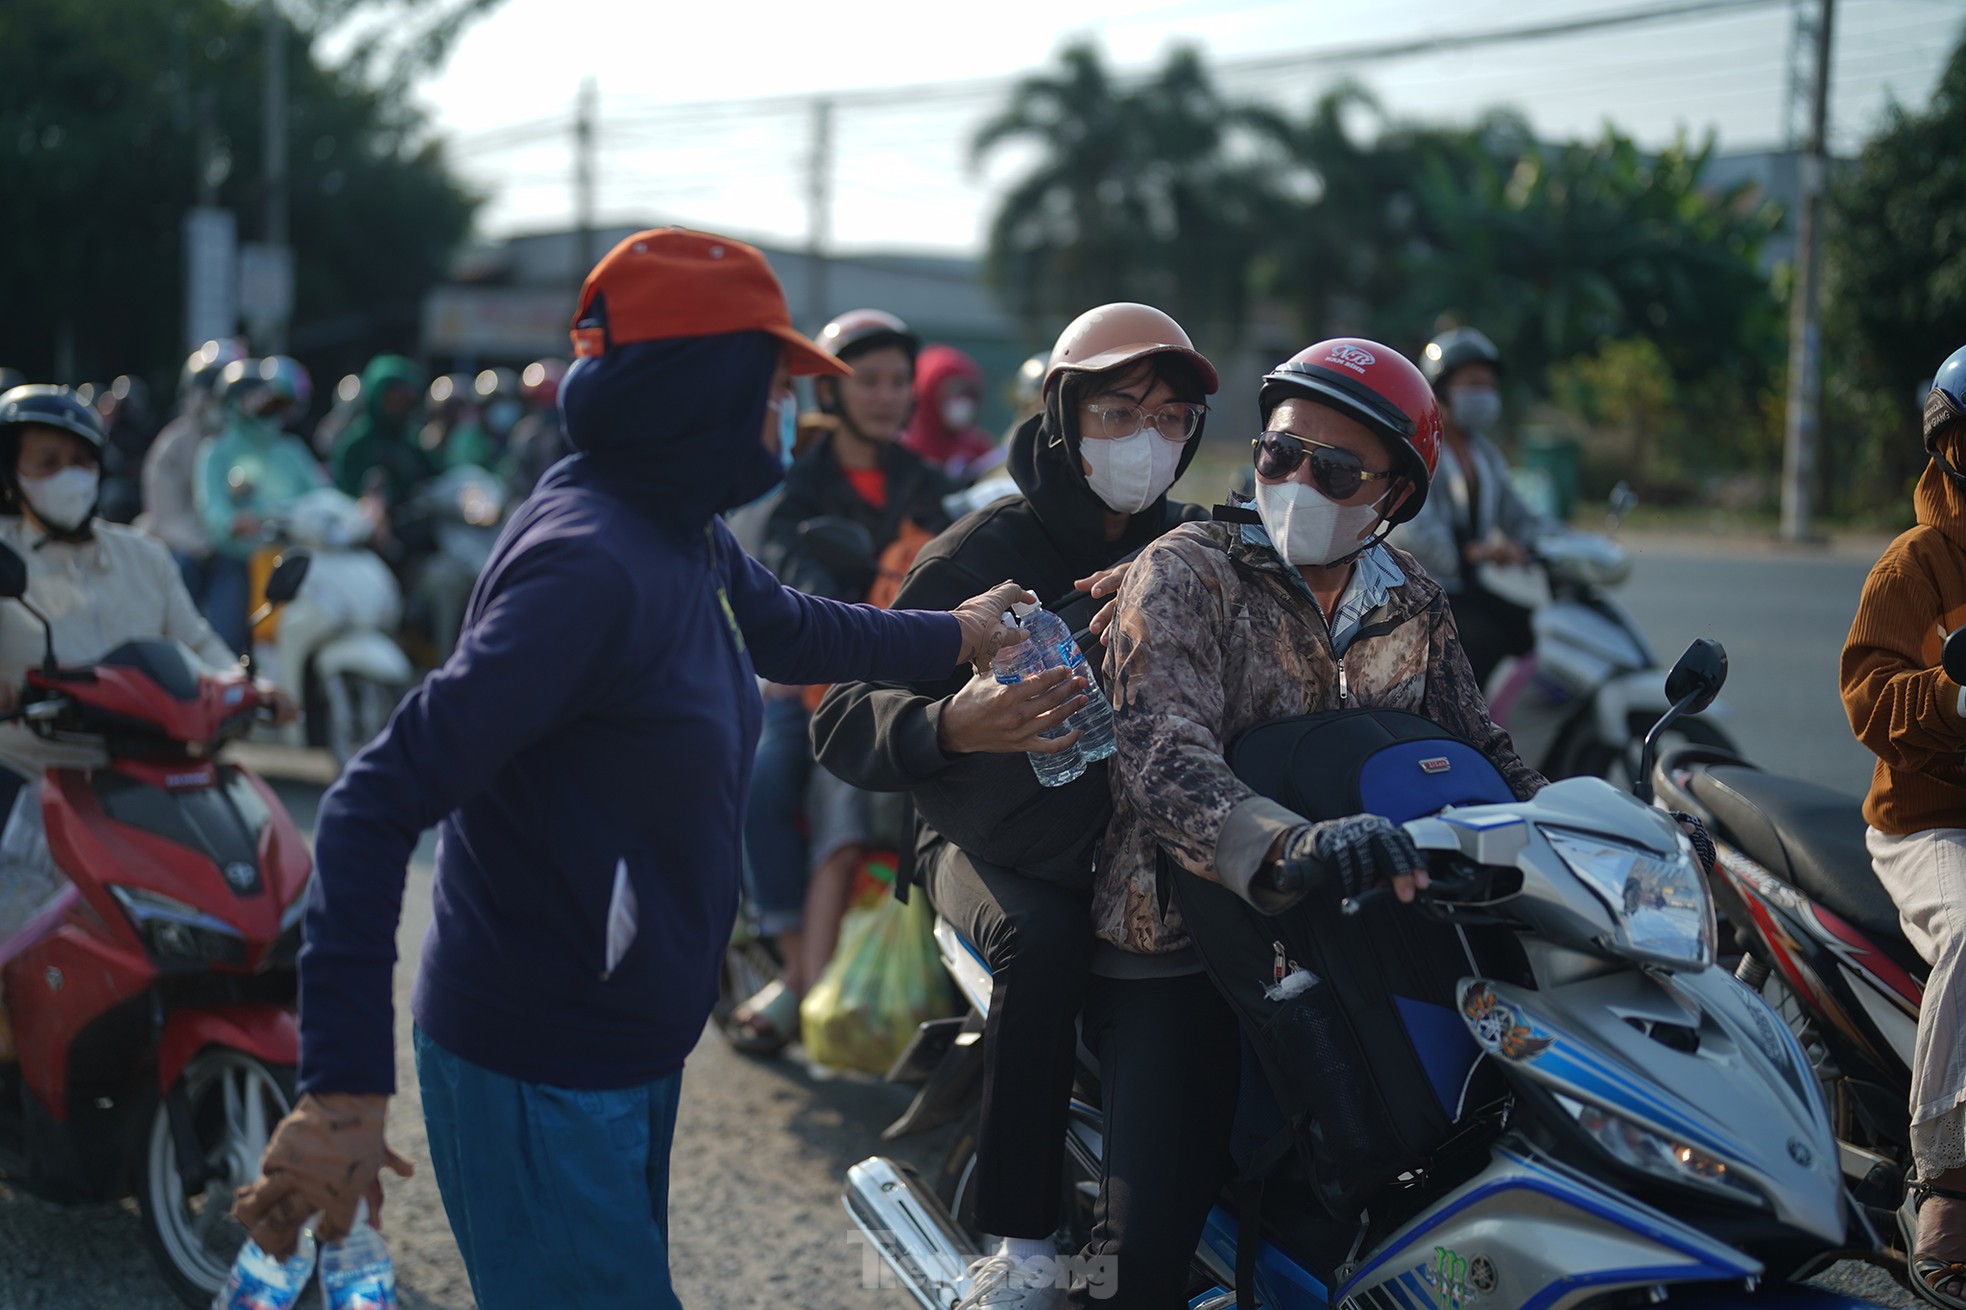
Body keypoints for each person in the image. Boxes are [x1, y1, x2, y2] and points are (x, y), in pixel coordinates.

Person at [230, 228, 1031, 1309]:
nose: (786, 410)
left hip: (624, 1044)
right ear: (695, 387)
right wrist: (341, 1090)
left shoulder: (677, 524)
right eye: (772, 382)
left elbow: (792, 628)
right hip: (544, 1055)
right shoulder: (587, 564)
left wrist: (957, 633)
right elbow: (374, 801)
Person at [1074, 339, 1545, 1308]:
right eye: (1278, 455)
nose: (1296, 482)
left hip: (1354, 935)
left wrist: (1611, 834)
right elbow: (1163, 754)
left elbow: (1485, 751)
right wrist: (1288, 841)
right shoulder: (1188, 570)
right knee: (1138, 1255)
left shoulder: (1409, 597)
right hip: (1181, 941)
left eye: (1333, 470)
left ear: (1394, 497)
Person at [814, 303, 1217, 1309]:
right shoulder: (984, 547)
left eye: (1169, 419)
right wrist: (955, 725)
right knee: (1042, 936)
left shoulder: (1190, 543)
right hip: (983, 833)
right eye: (1119, 411)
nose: (1146, 440)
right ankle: (1024, 1243)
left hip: (1130, 834)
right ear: (1062, 416)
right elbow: (846, 712)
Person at [727, 309, 956, 1051]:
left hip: (915, 673)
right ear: (829, 392)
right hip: (819, 678)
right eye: (870, 381)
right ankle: (797, 968)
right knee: (766, 779)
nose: (887, 396)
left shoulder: (925, 481)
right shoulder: (798, 484)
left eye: (899, 382)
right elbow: (791, 581)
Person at [1841, 343, 1966, 1309]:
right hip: (1928, 827)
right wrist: (1956, 695)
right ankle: (1947, 1176)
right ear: (1948, 447)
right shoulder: (1916, 564)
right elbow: (1868, 698)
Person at [1389, 326, 1552, 687]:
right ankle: (1456, 724)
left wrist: (1561, 544)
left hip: (1462, 588)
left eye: (1490, 386)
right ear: (1441, 388)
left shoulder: (1485, 456)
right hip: (1418, 589)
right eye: (1474, 384)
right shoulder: (1419, 450)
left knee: (1536, 629)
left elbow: (1520, 517)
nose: (1485, 395)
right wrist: (1476, 552)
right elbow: (1415, 533)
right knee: (1483, 640)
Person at [194, 360, 328, 655]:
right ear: (232, 405)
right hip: (241, 560)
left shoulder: (290, 450)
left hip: (296, 557)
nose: (268, 410)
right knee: (226, 643)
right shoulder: (216, 452)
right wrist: (233, 522)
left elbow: (322, 494)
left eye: (271, 402)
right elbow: (211, 508)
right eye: (257, 402)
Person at [140, 339, 246, 625]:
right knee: (184, 570)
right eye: (206, 386)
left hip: (236, 549)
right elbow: (168, 515)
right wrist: (207, 545)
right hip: (188, 549)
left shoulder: (246, 443)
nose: (211, 396)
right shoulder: (172, 446)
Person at [329, 354, 432, 510]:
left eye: (404, 401)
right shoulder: (356, 443)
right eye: (393, 400)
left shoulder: (413, 443)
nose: (399, 408)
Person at [903, 343, 997, 477]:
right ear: (928, 394)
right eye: (954, 393)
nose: (962, 402)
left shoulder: (979, 448)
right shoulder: (907, 450)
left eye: (967, 393)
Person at [500, 357, 570, 499]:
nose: (545, 408)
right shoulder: (525, 430)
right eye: (540, 401)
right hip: (531, 501)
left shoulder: (572, 431)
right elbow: (516, 475)